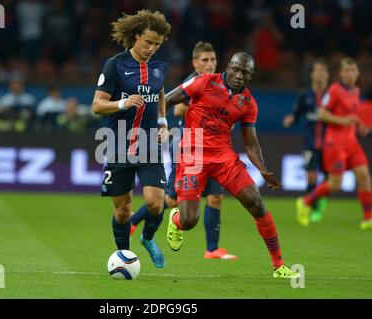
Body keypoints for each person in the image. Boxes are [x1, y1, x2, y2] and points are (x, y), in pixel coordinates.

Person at [163, 52, 300, 278]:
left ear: (251, 76)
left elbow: (251, 144)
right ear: (229, 66)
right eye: (235, 69)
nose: (238, 75)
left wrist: (263, 170)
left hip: (223, 156)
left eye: (244, 73)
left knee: (257, 204)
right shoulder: (204, 82)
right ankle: (176, 220)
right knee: (189, 221)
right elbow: (167, 99)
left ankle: (278, 266)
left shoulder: (248, 103)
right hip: (192, 154)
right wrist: (160, 124)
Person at [130, 41, 237, 260]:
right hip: (190, 148)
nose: (210, 64)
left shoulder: (219, 84)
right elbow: (178, 109)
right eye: (205, 60)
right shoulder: (193, 81)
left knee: (215, 197)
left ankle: (212, 249)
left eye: (213, 60)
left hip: (214, 149)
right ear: (195, 62)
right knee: (171, 200)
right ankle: (133, 221)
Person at [91, 10, 171, 268]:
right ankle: (125, 258)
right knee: (123, 210)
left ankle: (148, 238)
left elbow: (159, 93)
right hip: (117, 144)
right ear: (136, 36)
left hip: (149, 144)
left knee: (156, 204)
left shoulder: (159, 68)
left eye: (157, 44)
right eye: (148, 42)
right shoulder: (115, 65)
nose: (152, 48)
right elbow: (97, 105)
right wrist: (124, 102)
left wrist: (162, 122)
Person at [296, 58, 372, 230]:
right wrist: (343, 120)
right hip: (335, 143)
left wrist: (359, 125)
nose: (350, 74)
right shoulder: (334, 90)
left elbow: (353, 115)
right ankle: (305, 201)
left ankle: (368, 219)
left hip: (352, 142)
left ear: (358, 73)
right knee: (335, 184)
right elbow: (321, 114)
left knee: (364, 176)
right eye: (347, 71)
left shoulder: (356, 91)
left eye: (353, 71)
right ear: (341, 73)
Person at [283, 59, 329, 224]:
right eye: (317, 70)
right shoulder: (305, 95)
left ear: (328, 75)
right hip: (310, 143)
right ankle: (309, 208)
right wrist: (291, 119)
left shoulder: (332, 95)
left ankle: (319, 205)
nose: (320, 74)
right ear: (311, 75)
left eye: (323, 71)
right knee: (311, 176)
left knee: (329, 180)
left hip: (329, 144)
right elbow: (297, 113)